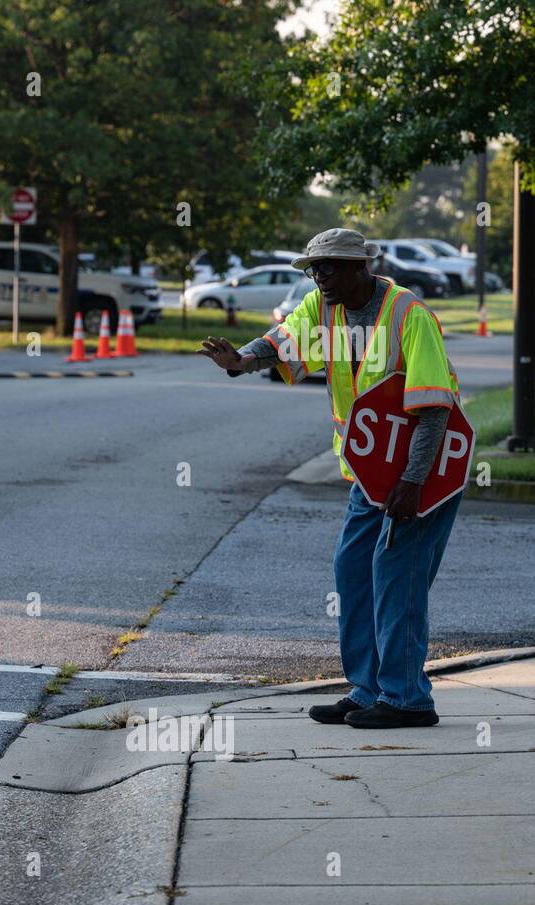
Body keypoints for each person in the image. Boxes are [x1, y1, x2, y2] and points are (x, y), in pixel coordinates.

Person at [198, 228, 462, 728]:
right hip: (373, 474)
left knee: (396, 575)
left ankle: (407, 699)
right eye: (314, 269)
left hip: (424, 472)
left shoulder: (408, 314)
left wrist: (412, 481)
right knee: (352, 570)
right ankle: (368, 691)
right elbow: (282, 340)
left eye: (330, 267)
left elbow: (434, 410)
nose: (319, 277)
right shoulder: (325, 309)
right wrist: (243, 361)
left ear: (361, 266)